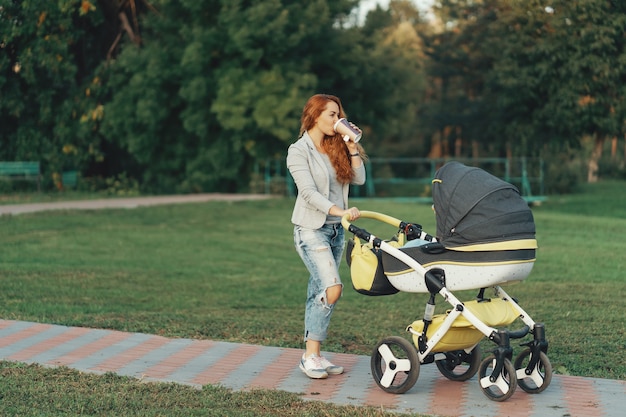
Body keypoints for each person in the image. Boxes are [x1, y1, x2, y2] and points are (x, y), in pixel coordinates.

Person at [286, 94, 367, 379]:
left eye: (338, 114)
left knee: (317, 291)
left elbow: (359, 179)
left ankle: (314, 356)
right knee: (333, 289)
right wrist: (338, 210)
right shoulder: (299, 151)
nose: (338, 120)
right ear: (315, 115)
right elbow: (308, 193)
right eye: (332, 115)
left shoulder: (336, 147)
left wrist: (353, 148)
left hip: (335, 231)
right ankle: (310, 355)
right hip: (311, 230)